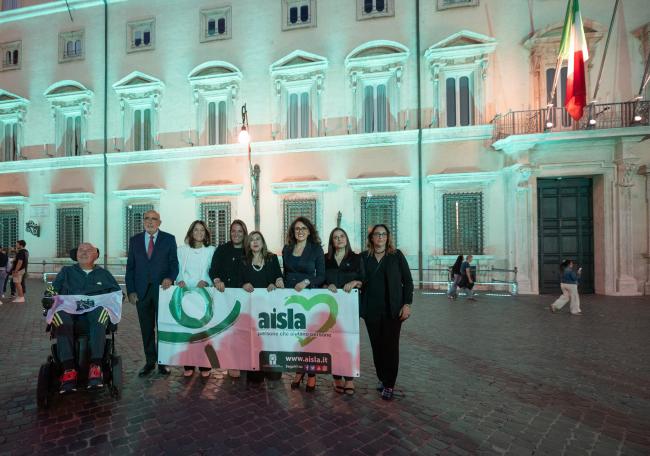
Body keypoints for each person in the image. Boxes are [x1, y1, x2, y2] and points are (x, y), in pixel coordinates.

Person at [49, 242, 121, 393]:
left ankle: (96, 366)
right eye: (81, 250)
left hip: (95, 313)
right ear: (76, 255)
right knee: (59, 315)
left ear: (96, 255)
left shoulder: (104, 274)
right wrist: (48, 296)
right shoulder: (66, 272)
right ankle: (68, 370)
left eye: (88, 250)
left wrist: (119, 298)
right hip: (69, 312)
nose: (84, 252)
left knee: (101, 312)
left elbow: (116, 294)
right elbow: (52, 289)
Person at [360, 224, 413, 401]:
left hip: (393, 310)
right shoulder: (364, 257)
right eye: (377, 234)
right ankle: (383, 378)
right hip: (371, 311)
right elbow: (357, 277)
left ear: (388, 237)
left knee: (390, 347)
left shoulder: (396, 256)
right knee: (377, 347)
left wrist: (407, 304)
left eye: (383, 234)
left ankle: (389, 384)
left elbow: (408, 281)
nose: (380, 237)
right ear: (372, 238)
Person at [126, 210, 179, 377]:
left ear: (159, 222)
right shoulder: (134, 240)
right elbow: (131, 267)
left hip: (162, 291)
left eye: (153, 219)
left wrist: (170, 278)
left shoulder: (169, 239)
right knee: (146, 328)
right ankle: (150, 361)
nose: (150, 221)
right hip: (141, 292)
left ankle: (163, 362)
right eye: (147, 218)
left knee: (163, 327)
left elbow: (174, 264)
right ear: (143, 221)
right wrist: (131, 290)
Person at [283, 216, 325, 392]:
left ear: (309, 231)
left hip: (308, 297)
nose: (300, 231)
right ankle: (299, 370)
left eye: (303, 228)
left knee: (309, 337)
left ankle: (312, 373)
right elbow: (285, 273)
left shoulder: (316, 249)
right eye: (297, 229)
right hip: (290, 298)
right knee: (296, 337)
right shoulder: (287, 249)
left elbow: (321, 275)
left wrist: (307, 282)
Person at [239, 230, 284, 384]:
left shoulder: (271, 258)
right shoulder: (244, 260)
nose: (255, 242)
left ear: (263, 242)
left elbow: (279, 276)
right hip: (251, 309)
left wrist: (276, 282)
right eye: (252, 240)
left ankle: (273, 370)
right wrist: (243, 284)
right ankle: (255, 370)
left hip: (270, 309)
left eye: (258, 239)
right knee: (253, 338)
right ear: (248, 244)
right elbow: (239, 279)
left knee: (270, 338)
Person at [324, 227, 363, 395]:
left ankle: (349, 379)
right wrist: (327, 285)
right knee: (333, 342)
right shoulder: (326, 259)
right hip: (331, 308)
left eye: (341, 236)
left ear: (346, 239)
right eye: (335, 237)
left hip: (349, 309)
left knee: (348, 342)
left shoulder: (356, 258)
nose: (339, 239)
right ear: (332, 241)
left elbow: (363, 279)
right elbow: (321, 280)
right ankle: (337, 378)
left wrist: (355, 282)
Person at [176, 220, 216, 378]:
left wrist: (206, 281)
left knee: (203, 330)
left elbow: (212, 270)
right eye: (196, 230)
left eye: (202, 230)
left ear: (206, 233)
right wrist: (180, 281)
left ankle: (205, 364)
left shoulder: (211, 250)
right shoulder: (181, 250)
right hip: (185, 294)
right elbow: (178, 269)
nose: (199, 233)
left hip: (203, 294)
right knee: (187, 330)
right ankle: (189, 363)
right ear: (191, 232)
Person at [209, 219, 248, 378]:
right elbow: (213, 269)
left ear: (244, 233)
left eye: (239, 231)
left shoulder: (249, 250)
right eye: (233, 230)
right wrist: (217, 280)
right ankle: (231, 363)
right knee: (227, 331)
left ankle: (244, 361)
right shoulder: (222, 249)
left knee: (243, 331)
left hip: (244, 298)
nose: (236, 234)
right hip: (224, 297)